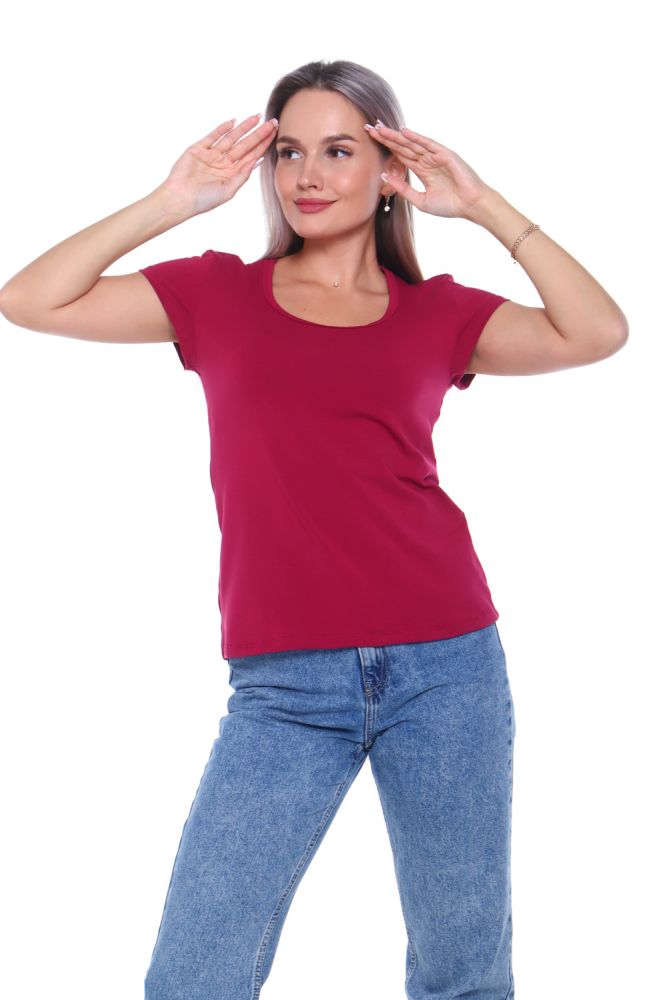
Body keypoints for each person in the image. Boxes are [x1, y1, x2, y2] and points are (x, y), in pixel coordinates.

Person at [0, 59, 628, 1000]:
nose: (306, 175)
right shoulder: (215, 294)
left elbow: (597, 332)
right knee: (194, 977)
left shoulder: (438, 312)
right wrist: (173, 201)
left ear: (387, 171)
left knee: (462, 974)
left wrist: (482, 205)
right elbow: (28, 299)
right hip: (284, 684)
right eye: (288, 152)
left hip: (447, 666)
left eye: (338, 151)